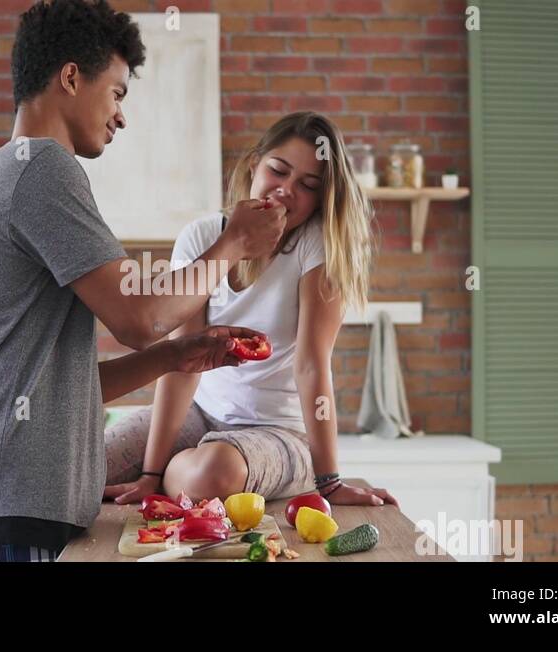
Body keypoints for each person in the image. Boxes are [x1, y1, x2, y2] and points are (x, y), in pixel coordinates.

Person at [0, 0, 287, 562]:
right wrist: (235, 244)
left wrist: (178, 356)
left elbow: (59, 389)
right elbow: (140, 319)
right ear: (71, 76)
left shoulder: (16, 167)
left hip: (3, 505)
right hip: (9, 509)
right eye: (118, 92)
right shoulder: (43, 168)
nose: (121, 115)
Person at [104, 112, 399, 510]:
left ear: (321, 199)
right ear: (254, 164)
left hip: (278, 434)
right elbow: (182, 358)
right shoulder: (203, 236)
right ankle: (176, 475)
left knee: (213, 474)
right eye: (278, 170)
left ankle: (185, 475)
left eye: (308, 186)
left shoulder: (317, 246)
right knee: (88, 462)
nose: (286, 190)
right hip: (201, 416)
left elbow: (312, 364)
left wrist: (329, 483)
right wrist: (149, 474)